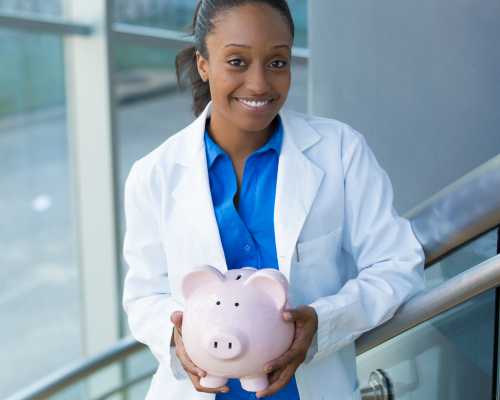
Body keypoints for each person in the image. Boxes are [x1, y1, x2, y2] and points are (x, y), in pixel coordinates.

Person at [122, 1, 426, 399]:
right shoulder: (154, 175)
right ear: (203, 64)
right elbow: (144, 294)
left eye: (277, 63)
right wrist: (175, 335)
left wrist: (323, 321)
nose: (260, 83)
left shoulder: (340, 151)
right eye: (236, 61)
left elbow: (397, 263)